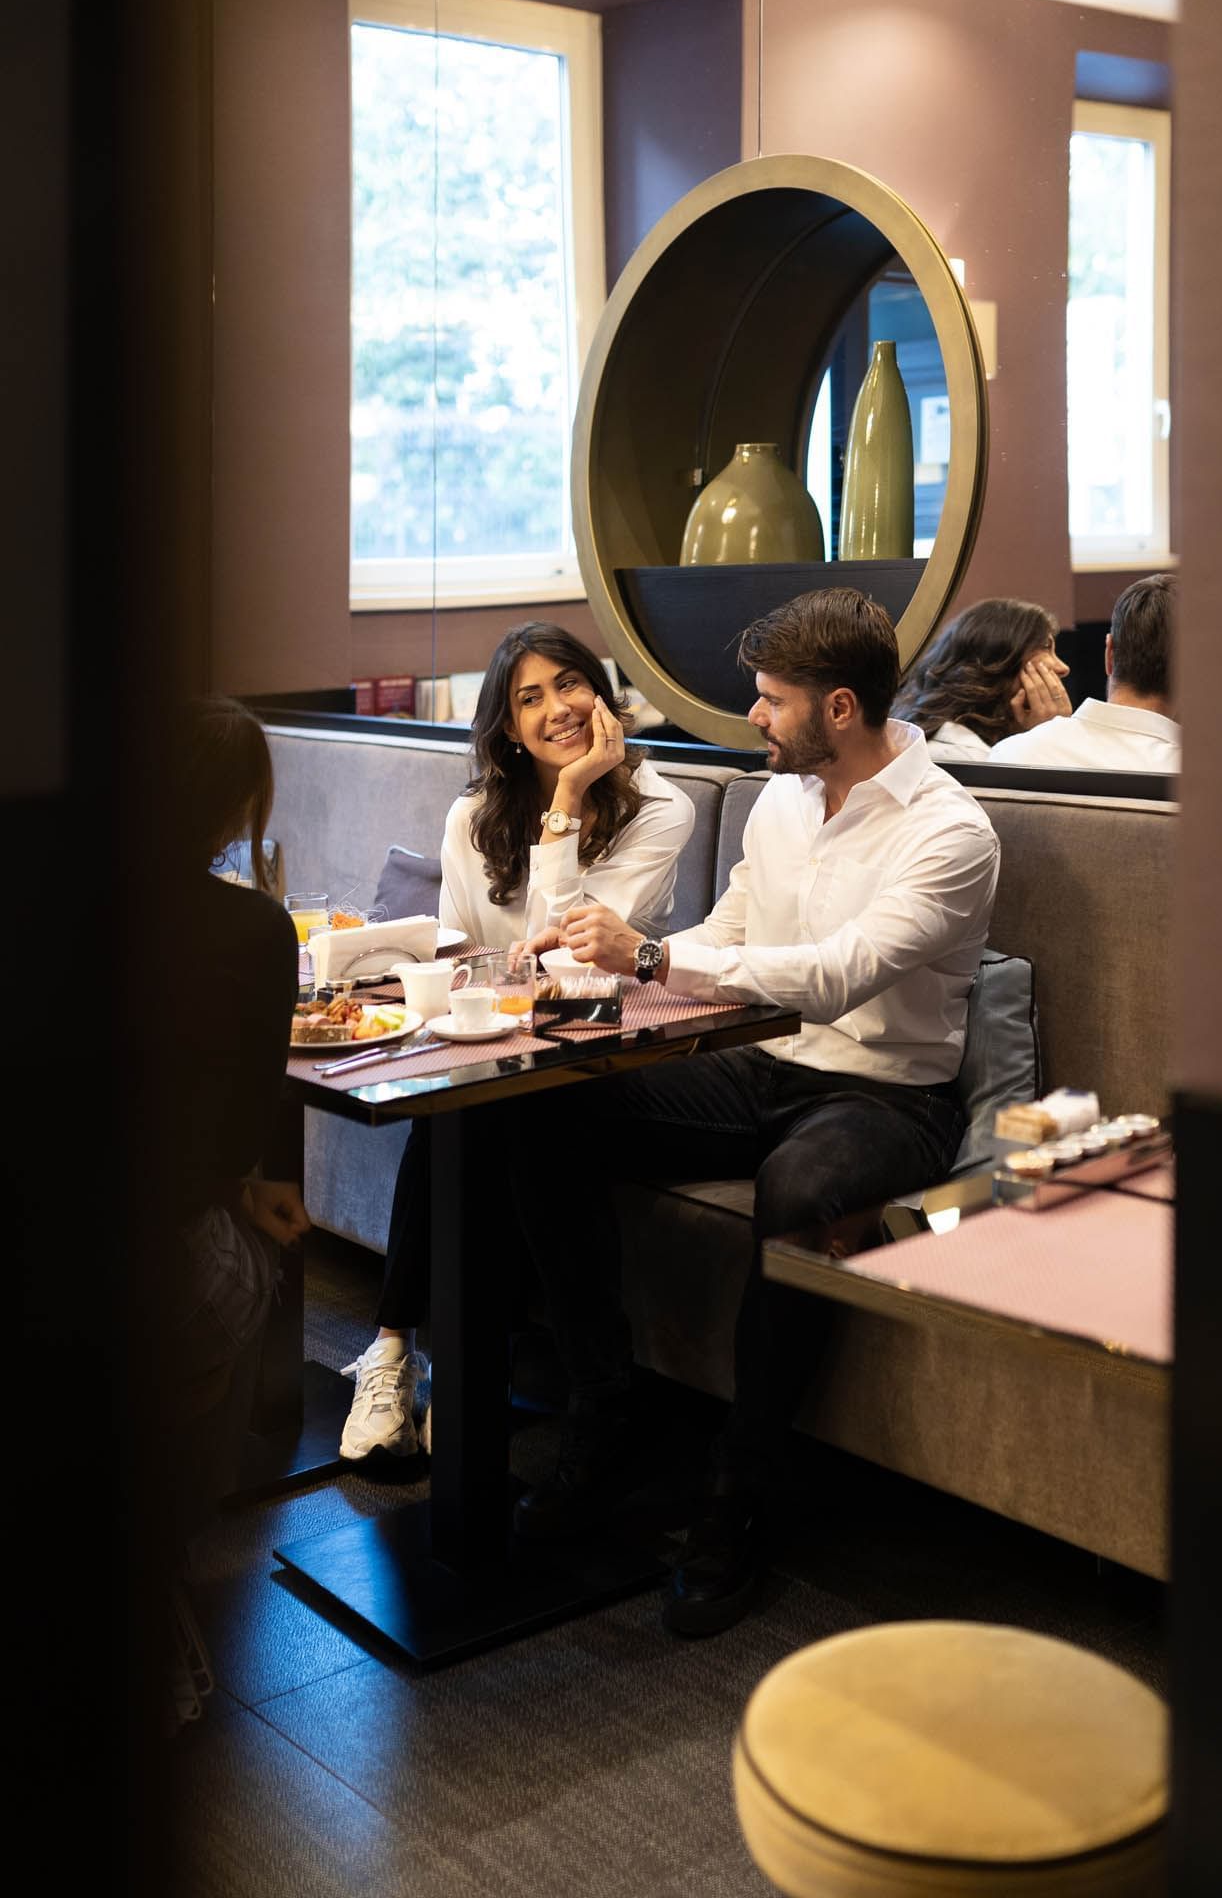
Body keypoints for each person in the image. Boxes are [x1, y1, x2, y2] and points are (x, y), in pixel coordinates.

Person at [497, 588, 1001, 1637]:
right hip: (751, 1065)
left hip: (885, 1097)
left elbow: (829, 976)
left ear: (839, 709)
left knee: (802, 1187)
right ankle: (605, 1410)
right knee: (539, 1105)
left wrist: (645, 956)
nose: (754, 719)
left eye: (771, 702)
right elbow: (736, 923)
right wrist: (611, 984)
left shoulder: (950, 832)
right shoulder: (779, 797)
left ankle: (741, 1495)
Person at [339, 623, 696, 1466]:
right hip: (495, 1037)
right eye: (527, 697)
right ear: (504, 724)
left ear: (600, 692)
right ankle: (403, 1362)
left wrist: (569, 797)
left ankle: (409, 1353)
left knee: (480, 1107)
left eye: (569, 683)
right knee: (461, 1104)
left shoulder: (661, 806)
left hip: (601, 1046)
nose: (555, 708)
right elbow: (463, 954)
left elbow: (567, 952)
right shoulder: (472, 815)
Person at [168, 696, 311, 1719]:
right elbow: (227, 1140)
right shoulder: (254, 929)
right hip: (157, 1249)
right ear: (233, 809)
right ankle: (165, 1554)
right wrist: (248, 1189)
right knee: (240, 1270)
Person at [987, 573, 1178, 772]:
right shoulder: (1199, 779)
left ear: (1109, 654)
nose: (1063, 668)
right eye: (1046, 646)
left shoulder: (1011, 755)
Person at [892, 596, 1070, 761]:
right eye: (1046, 647)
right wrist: (1049, 738)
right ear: (997, 659)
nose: (1063, 668)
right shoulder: (958, 756)